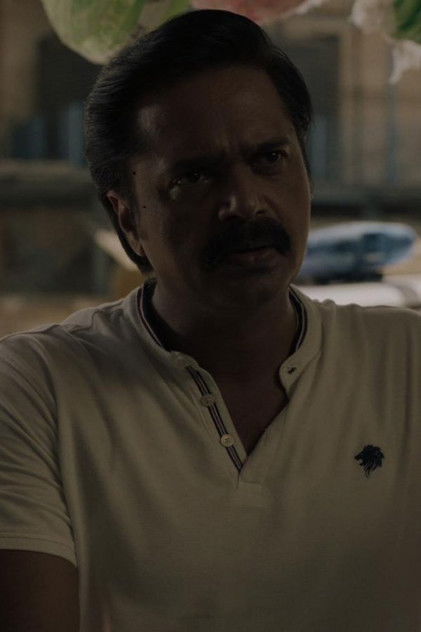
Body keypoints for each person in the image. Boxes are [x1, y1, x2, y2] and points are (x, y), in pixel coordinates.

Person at [1, 9, 421, 632]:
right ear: (128, 220)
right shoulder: (36, 391)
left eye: (270, 158)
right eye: (194, 176)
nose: (244, 202)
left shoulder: (407, 367)